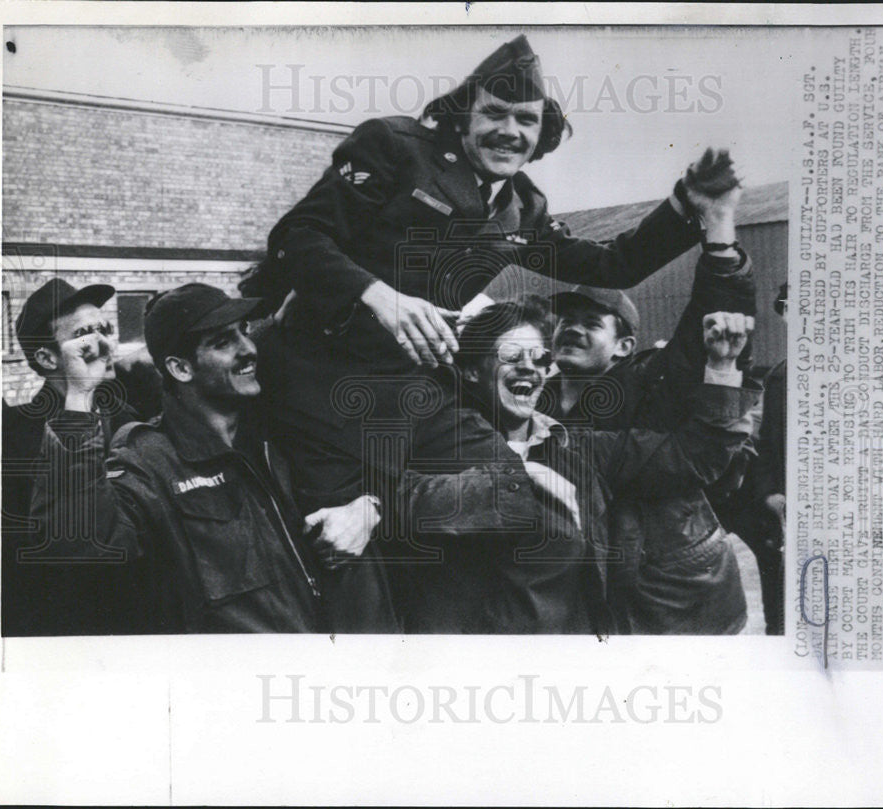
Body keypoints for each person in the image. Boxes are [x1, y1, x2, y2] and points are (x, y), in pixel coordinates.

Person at [247, 34, 741, 625]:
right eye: (495, 113)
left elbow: (616, 265)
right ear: (461, 117)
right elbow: (296, 239)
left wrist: (691, 207)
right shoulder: (394, 148)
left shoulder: (520, 209)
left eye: (526, 120)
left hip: (413, 392)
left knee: (540, 507)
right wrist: (382, 297)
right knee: (345, 563)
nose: (510, 130)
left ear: (542, 135)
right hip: (316, 389)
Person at [30, 284, 383, 633]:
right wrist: (79, 394)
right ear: (181, 369)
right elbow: (79, 545)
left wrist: (369, 507)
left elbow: (393, 483)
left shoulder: (280, 432)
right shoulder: (150, 459)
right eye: (222, 342)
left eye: (243, 332)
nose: (248, 349)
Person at [396, 296, 759, 633]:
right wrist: (516, 478)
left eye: (540, 359)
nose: (529, 368)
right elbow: (393, 498)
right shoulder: (439, 446)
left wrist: (723, 366)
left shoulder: (574, 447)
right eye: (511, 355)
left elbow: (695, 456)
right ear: (473, 370)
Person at [541, 186, 761, 634]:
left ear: (624, 346)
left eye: (590, 324)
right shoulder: (534, 399)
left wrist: (719, 234)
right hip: (586, 593)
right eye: (566, 321)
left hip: (671, 598)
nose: (573, 330)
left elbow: (708, 332)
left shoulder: (649, 383)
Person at [2, 278, 140, 636]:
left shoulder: (132, 419)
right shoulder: (12, 439)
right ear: (47, 358)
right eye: (84, 333)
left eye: (105, 329)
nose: (104, 343)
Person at [728, 282, 787, 634]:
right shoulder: (779, 376)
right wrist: (769, 491)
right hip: (786, 502)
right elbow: (768, 443)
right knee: (779, 582)